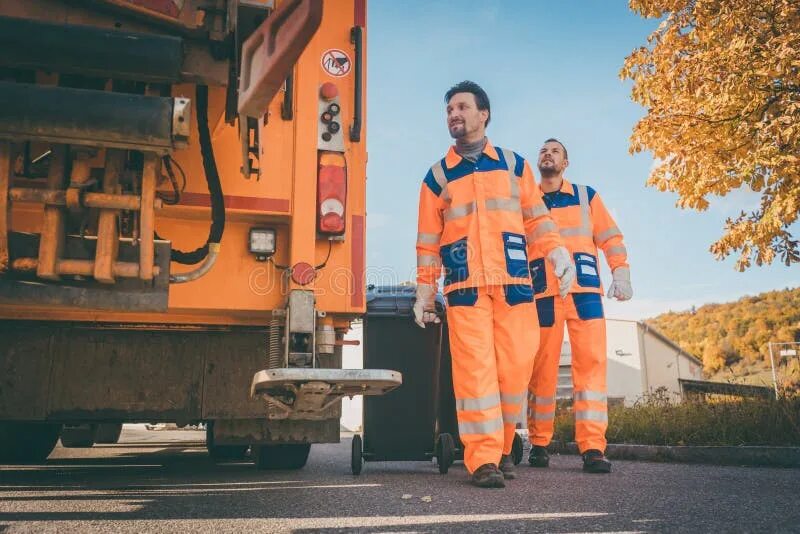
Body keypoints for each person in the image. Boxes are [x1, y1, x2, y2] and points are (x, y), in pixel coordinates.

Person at [413, 82, 575, 488]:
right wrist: (424, 291)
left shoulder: (514, 165)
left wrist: (556, 252)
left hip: (514, 285)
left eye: (462, 106)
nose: (454, 113)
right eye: (449, 107)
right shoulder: (437, 177)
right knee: (474, 374)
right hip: (465, 287)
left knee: (516, 369)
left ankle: (503, 449)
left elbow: (537, 219)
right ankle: (483, 458)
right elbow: (427, 242)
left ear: (484, 114)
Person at [526, 138, 632, 474]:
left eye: (555, 150)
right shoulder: (527, 201)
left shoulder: (587, 197)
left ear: (566, 162)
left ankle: (593, 448)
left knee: (591, 368)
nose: (548, 154)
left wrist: (621, 273)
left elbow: (611, 238)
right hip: (542, 292)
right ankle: (539, 443)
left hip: (584, 292)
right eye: (543, 150)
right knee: (541, 371)